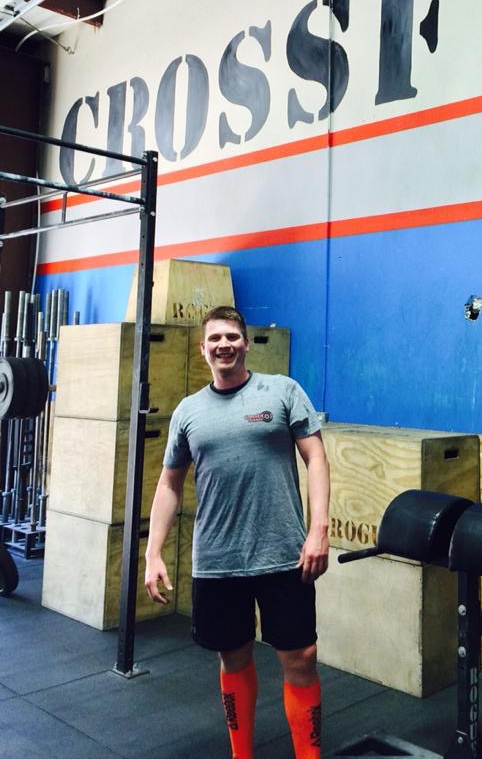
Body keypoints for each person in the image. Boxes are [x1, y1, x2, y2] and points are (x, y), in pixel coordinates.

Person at [144, 305, 330, 759]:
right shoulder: (188, 412)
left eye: (231, 336)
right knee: (233, 656)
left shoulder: (282, 391)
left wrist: (319, 529)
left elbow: (316, 458)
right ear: (203, 348)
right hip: (218, 559)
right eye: (215, 338)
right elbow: (169, 485)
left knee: (301, 657)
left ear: (246, 343)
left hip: (283, 552)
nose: (223, 345)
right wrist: (153, 552)